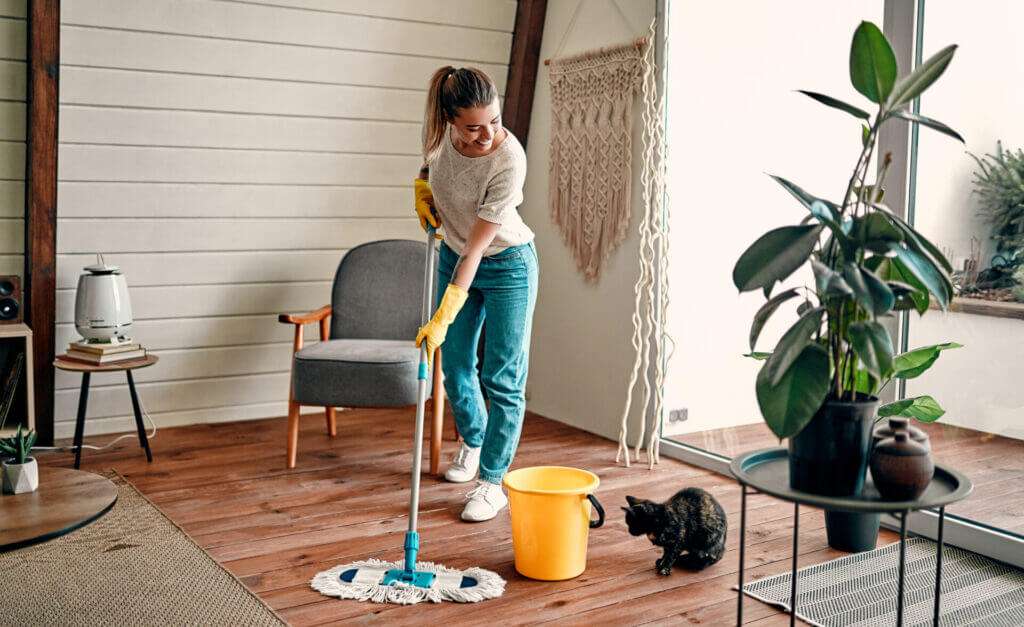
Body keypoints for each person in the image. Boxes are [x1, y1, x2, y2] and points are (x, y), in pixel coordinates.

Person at [414, 66, 538, 522]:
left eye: (495, 121)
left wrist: (444, 313)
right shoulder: (438, 137)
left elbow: (477, 249)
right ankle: (474, 438)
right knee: (457, 366)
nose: (487, 134)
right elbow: (430, 169)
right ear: (451, 121)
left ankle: (492, 482)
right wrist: (421, 190)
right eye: (473, 127)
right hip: (453, 254)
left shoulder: (509, 160)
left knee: (502, 377)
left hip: (506, 264)